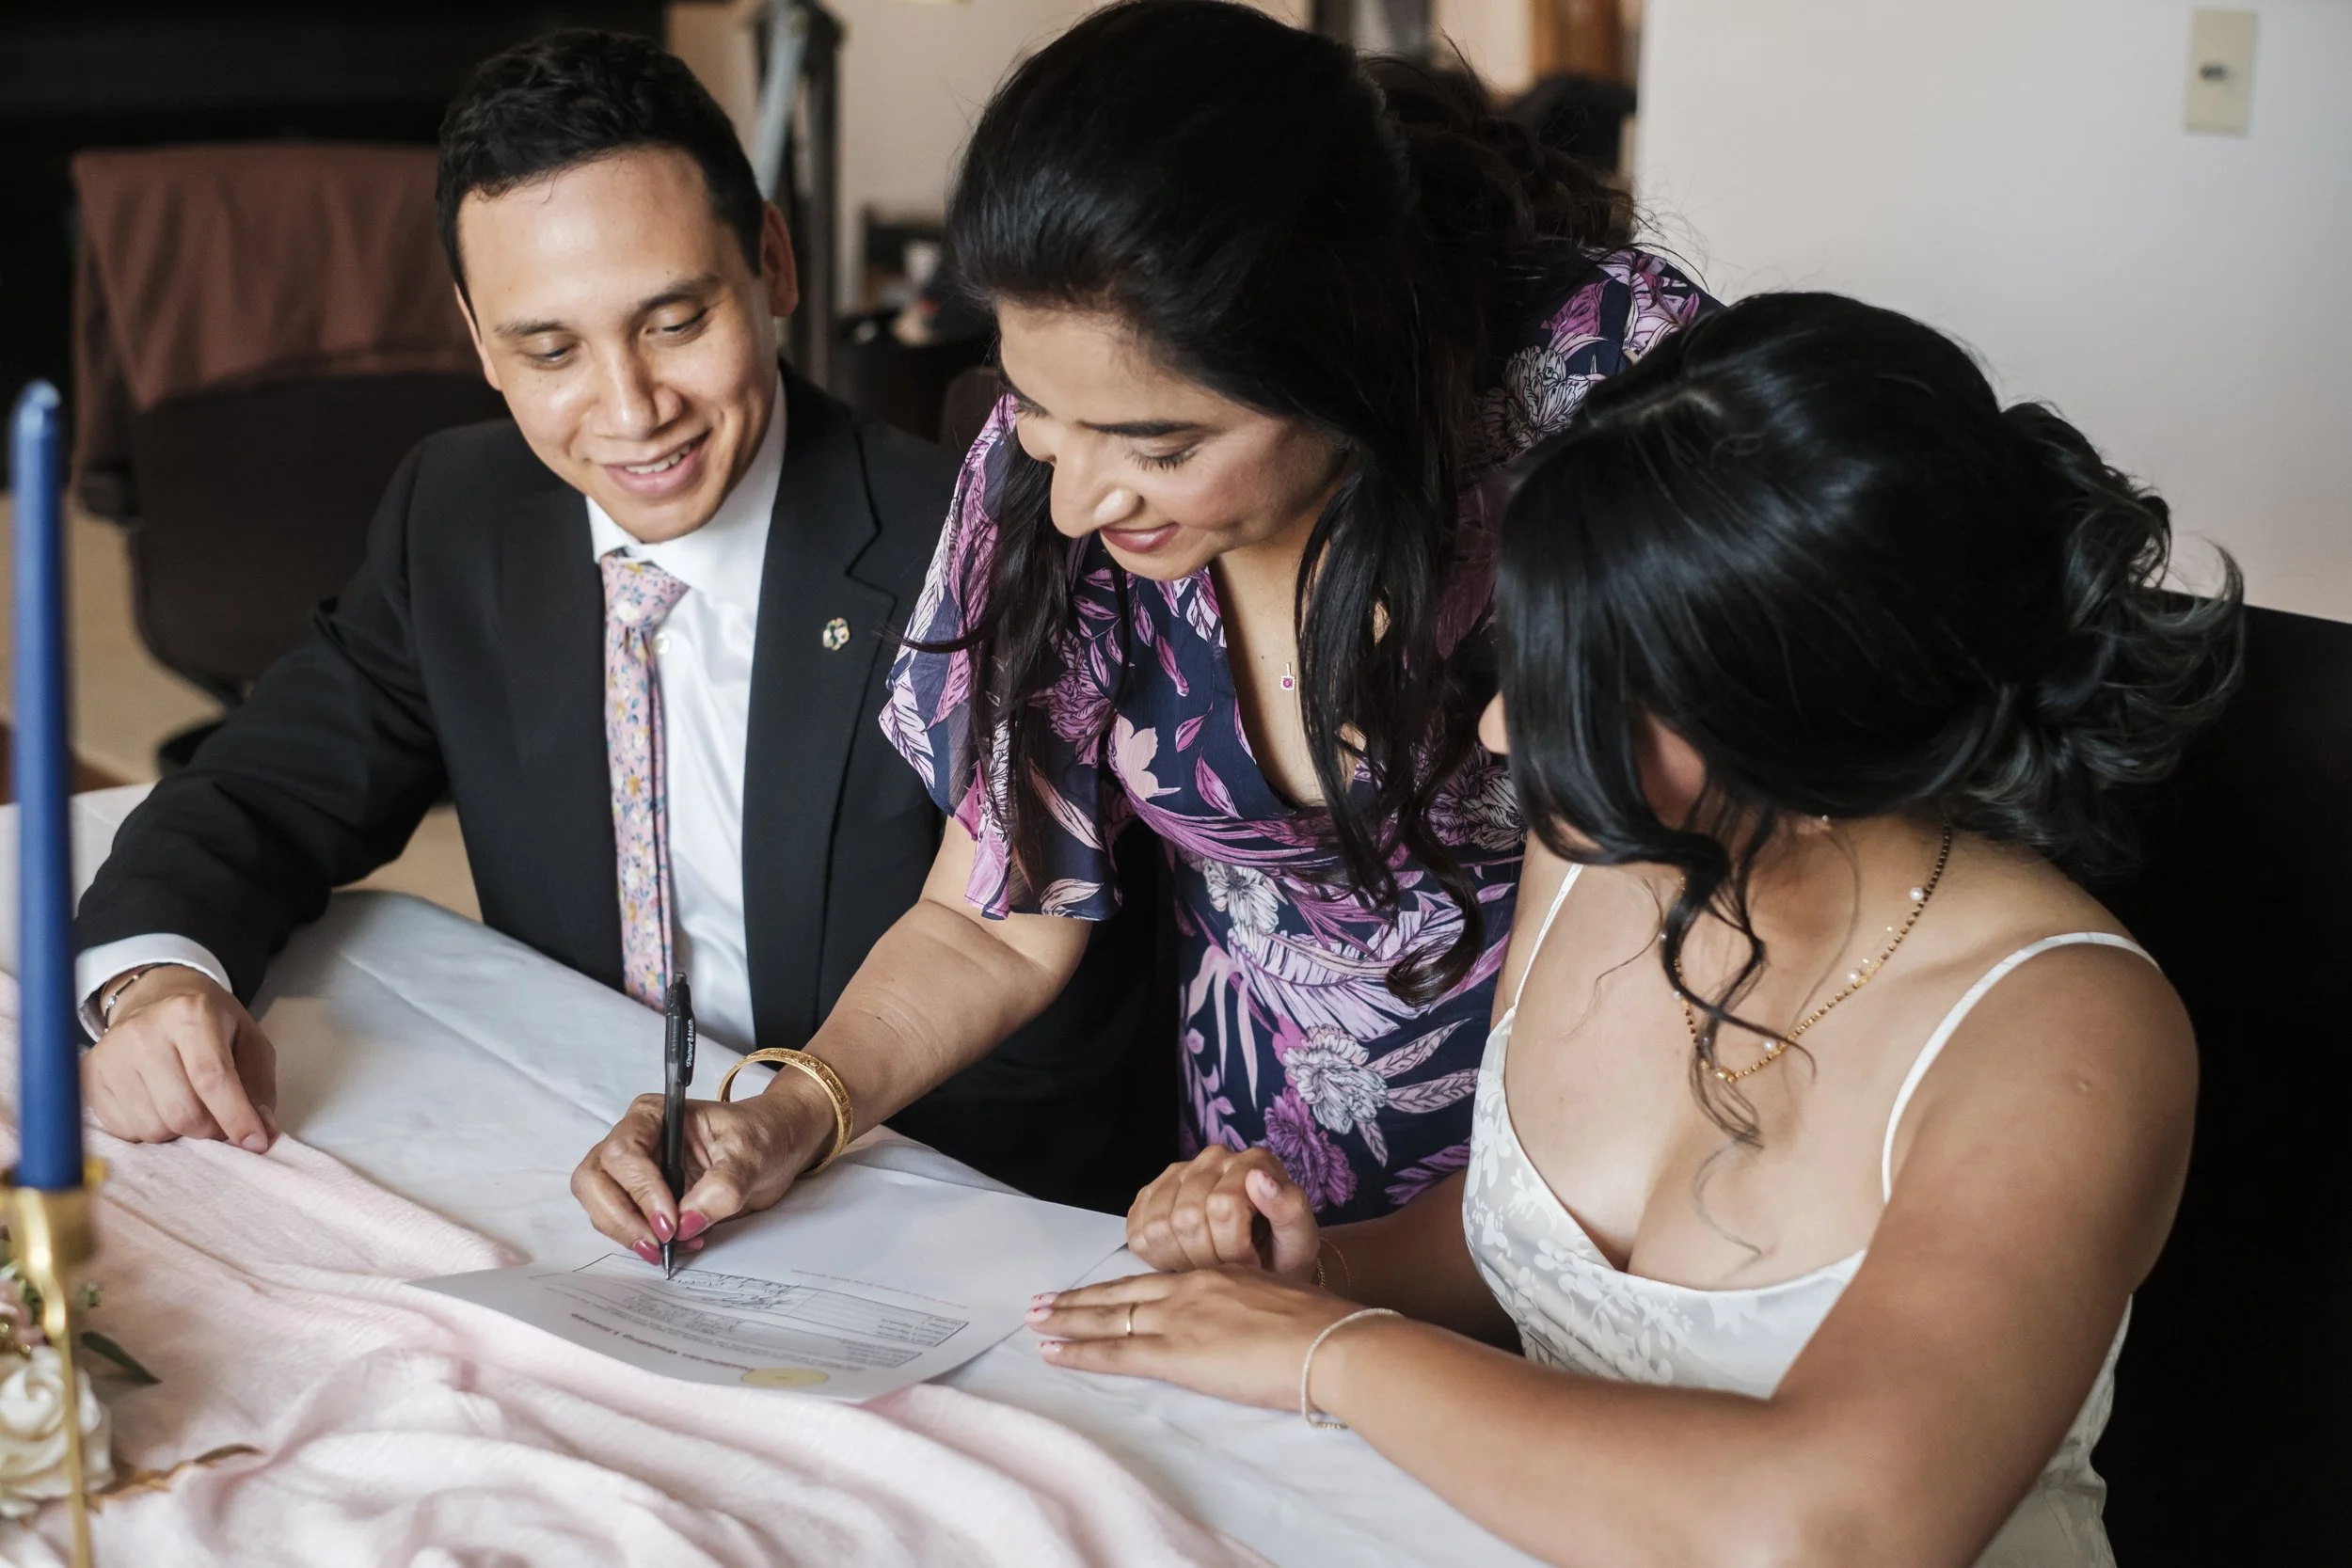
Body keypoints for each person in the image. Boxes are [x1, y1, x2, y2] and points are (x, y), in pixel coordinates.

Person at [1029, 293, 2243, 1567]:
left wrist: (1337, 1356)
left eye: (1581, 686)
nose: (1501, 733)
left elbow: (1836, 1529)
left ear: (1787, 717)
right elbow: (1521, 1246)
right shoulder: (1596, 854)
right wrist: (1305, 1265)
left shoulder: (2063, 1029)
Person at [570, 0, 1713, 1250]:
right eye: (1038, 411)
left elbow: (1721, 897)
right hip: (1248, 1201)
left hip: (1617, 1180)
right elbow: (989, 919)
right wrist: (795, 1111)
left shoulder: (1604, 410)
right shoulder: (1056, 475)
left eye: (1159, 444)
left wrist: (1378, 1283)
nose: (1074, 497)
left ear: (1346, 359)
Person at [70, 30, 1166, 1216]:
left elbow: (1048, 1004)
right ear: (479, 339)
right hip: (582, 1166)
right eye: (549, 348)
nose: (631, 409)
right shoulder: (461, 513)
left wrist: (801, 1131)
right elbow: (266, 790)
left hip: (923, 1195)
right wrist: (157, 978)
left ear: (772, 265)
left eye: (675, 321)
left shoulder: (973, 545)